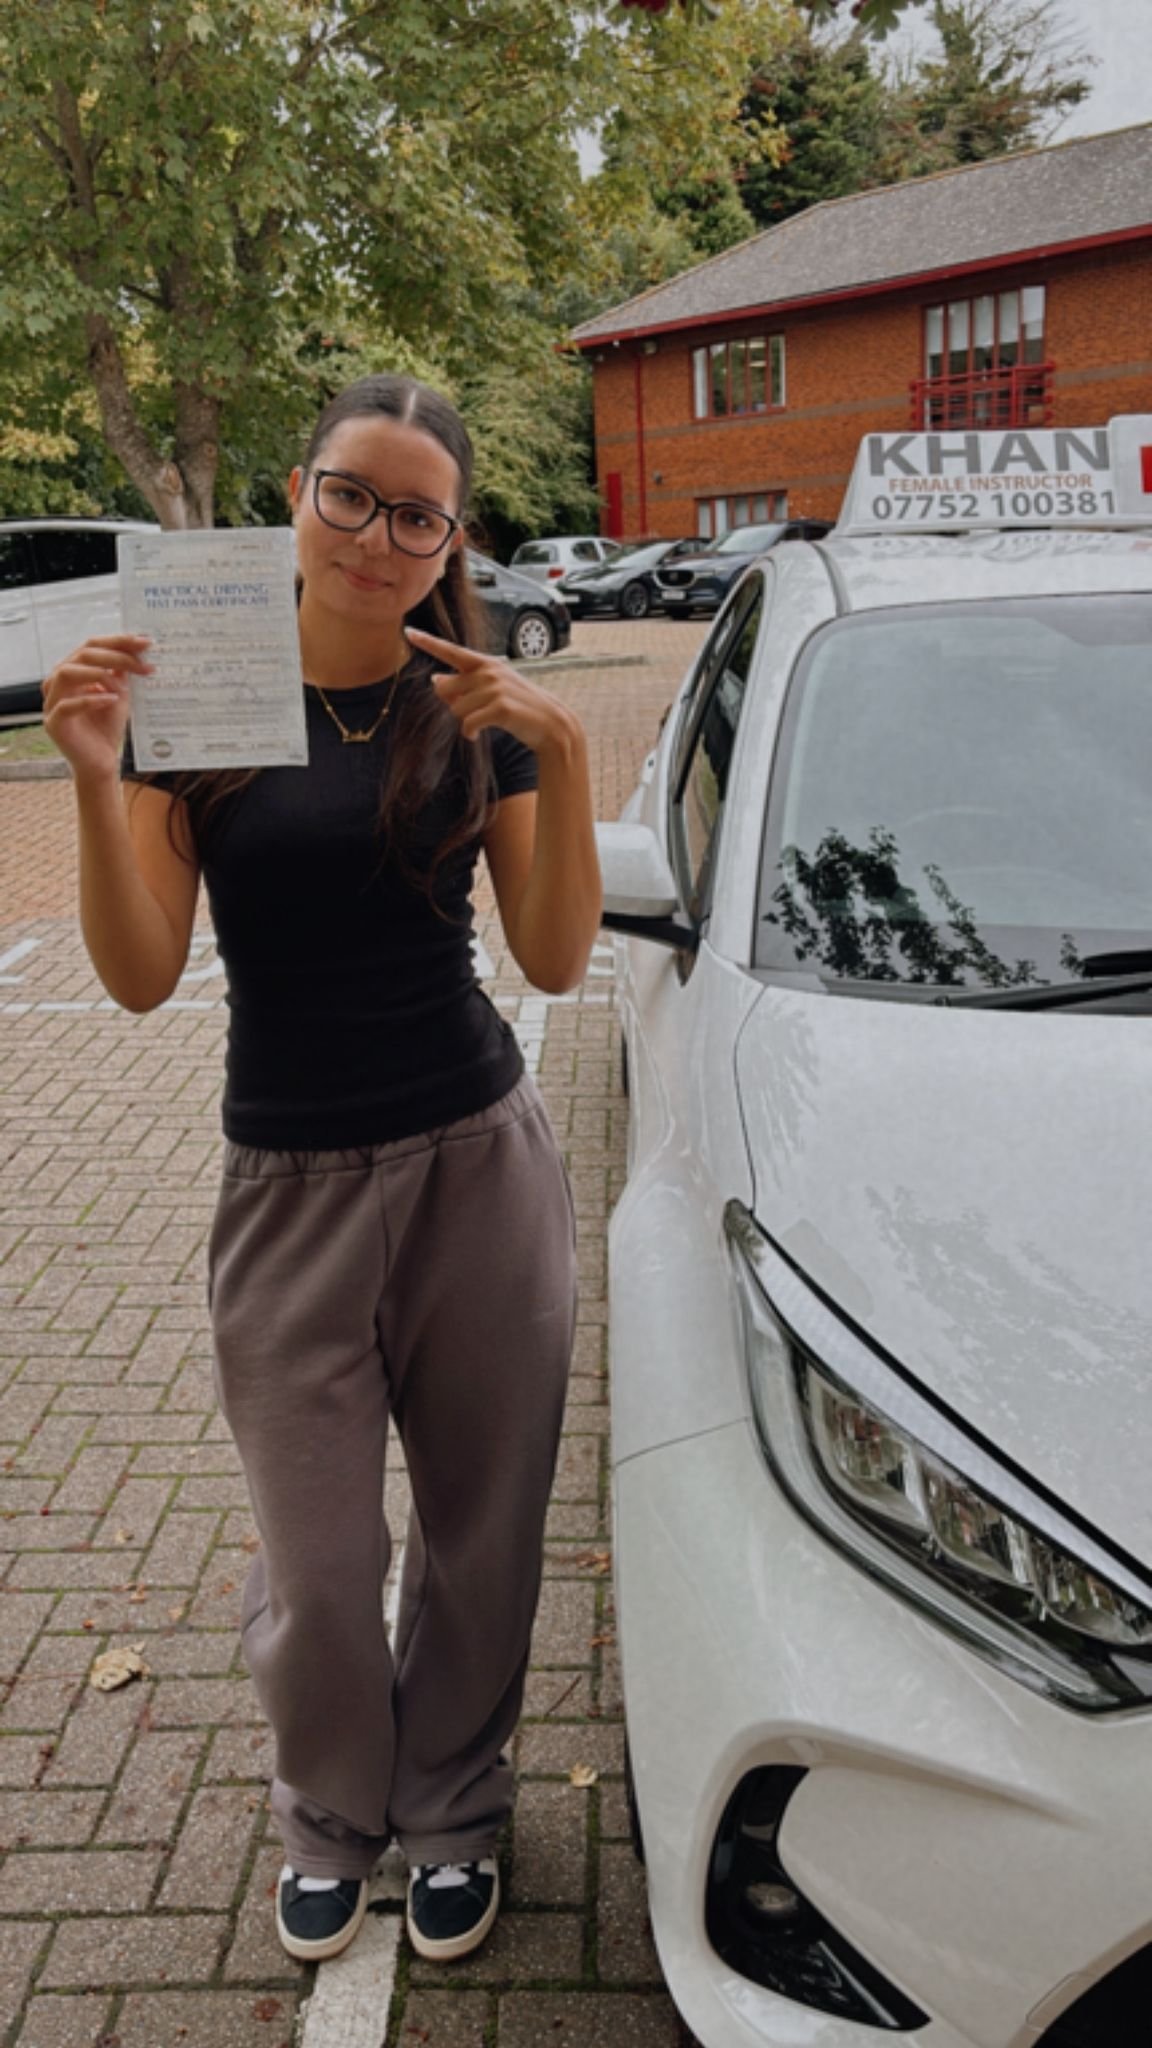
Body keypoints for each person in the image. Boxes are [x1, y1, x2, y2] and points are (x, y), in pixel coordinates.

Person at [42, 373, 601, 1967]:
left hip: (477, 1171)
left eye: (415, 514)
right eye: (351, 494)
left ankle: (454, 1809)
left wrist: (555, 751)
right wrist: (95, 773)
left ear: (447, 547)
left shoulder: (474, 715)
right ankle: (328, 1814)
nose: (375, 534)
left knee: (484, 1526)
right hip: (286, 1181)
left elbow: (556, 961)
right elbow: (145, 975)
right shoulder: (198, 691)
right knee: (323, 1556)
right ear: (298, 494)